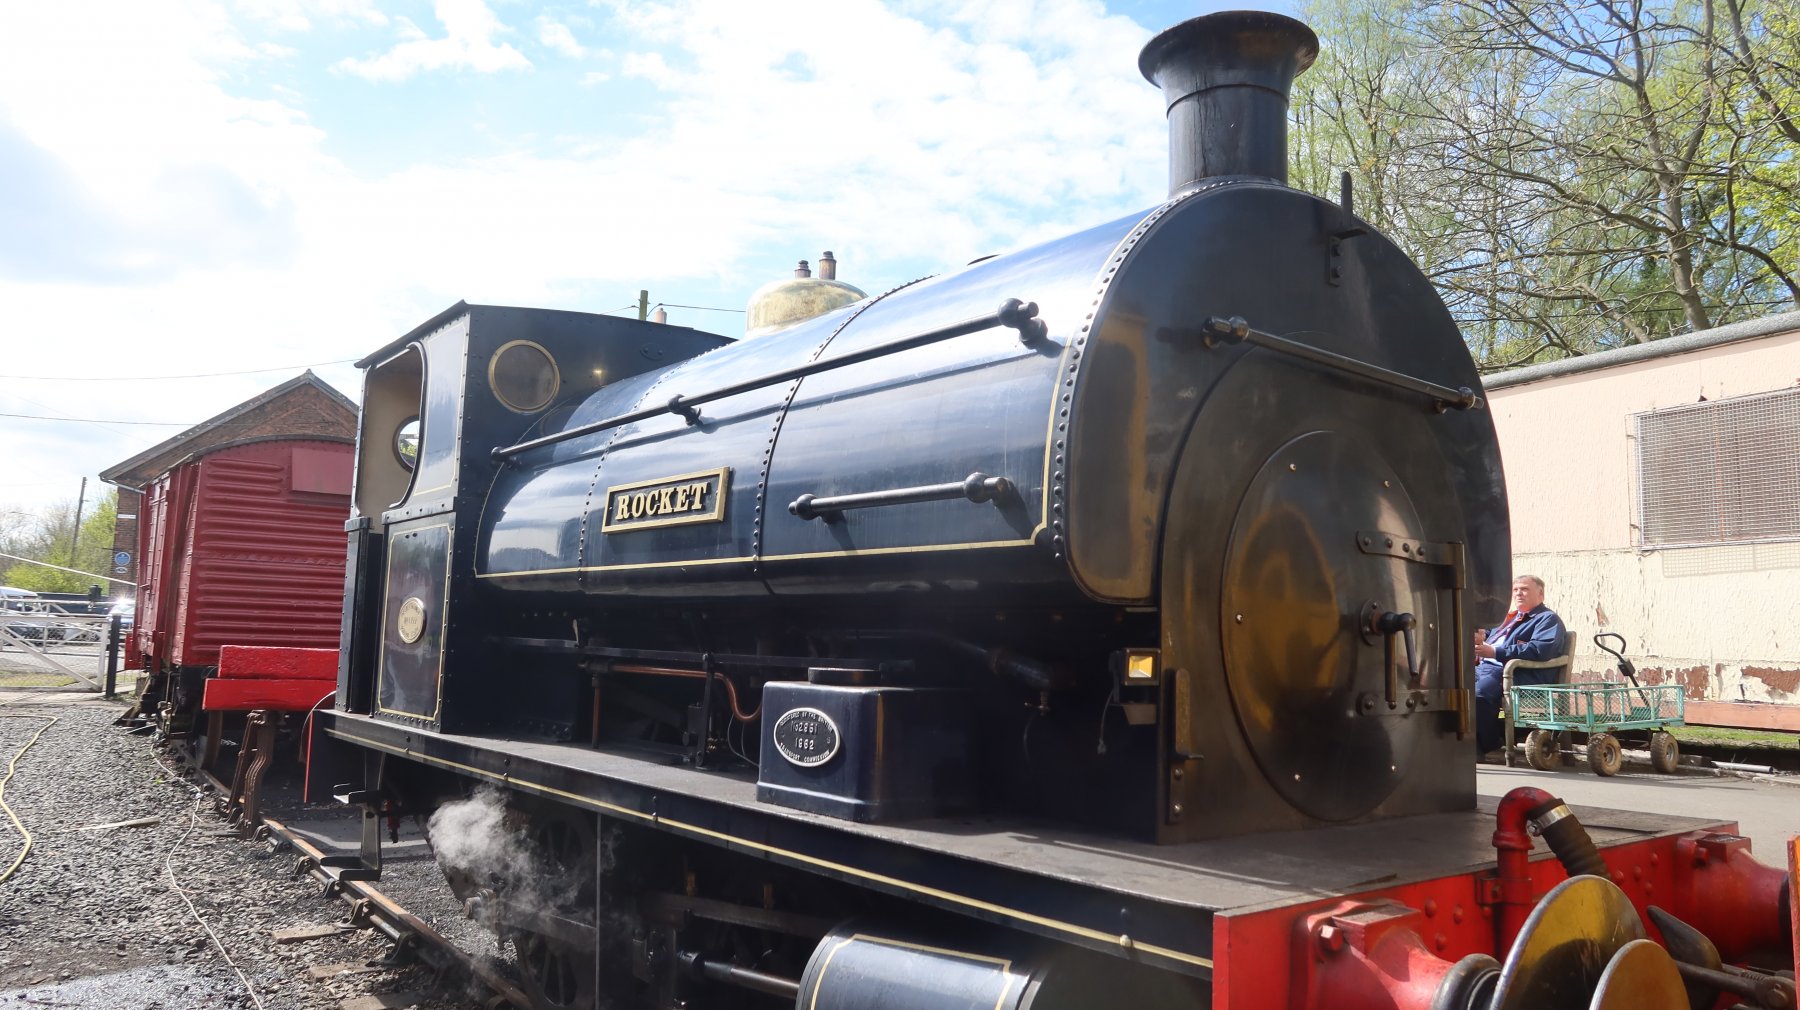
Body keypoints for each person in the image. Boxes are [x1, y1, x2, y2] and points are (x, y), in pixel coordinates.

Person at [1473, 575, 1568, 755]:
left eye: (1524, 589)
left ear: (1540, 593)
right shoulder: (1508, 618)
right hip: (1487, 668)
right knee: (1452, 688)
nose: (1518, 593)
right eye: (1515, 590)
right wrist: (1479, 636)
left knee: (1479, 694)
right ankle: (1464, 742)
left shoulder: (1547, 619)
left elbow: (1540, 650)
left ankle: (1488, 742)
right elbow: (1489, 635)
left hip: (1516, 672)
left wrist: (1495, 652)